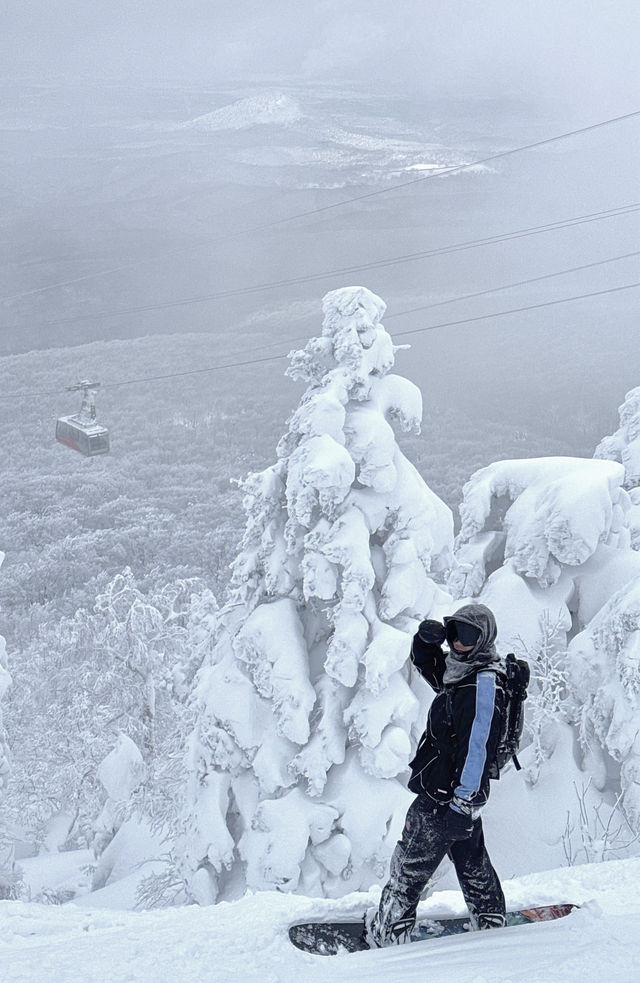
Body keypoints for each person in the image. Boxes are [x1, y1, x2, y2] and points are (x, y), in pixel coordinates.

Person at [365, 602, 507, 947]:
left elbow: (477, 749)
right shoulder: (464, 673)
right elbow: (435, 672)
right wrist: (427, 645)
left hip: (448, 796)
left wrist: (461, 803)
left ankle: (387, 933)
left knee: (410, 863)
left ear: (484, 638)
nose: (459, 643)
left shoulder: (482, 685)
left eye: (469, 636)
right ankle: (490, 918)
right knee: (469, 857)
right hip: (455, 792)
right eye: (456, 633)